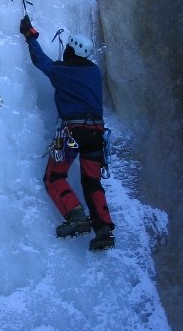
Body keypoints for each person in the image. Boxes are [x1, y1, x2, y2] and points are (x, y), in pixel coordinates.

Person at [20, 14, 115, 251]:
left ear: (71, 50)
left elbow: (41, 61)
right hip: (96, 134)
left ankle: (76, 217)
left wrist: (30, 36)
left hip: (72, 133)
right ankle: (103, 230)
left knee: (55, 176)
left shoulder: (62, 71)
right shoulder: (93, 73)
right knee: (92, 181)